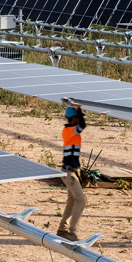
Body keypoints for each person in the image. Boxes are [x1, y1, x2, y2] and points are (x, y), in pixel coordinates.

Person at [57, 102, 87, 241]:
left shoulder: (70, 131)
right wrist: (78, 109)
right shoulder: (70, 131)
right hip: (68, 173)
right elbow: (83, 125)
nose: (79, 120)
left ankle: (62, 230)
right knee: (81, 200)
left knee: (72, 201)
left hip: (71, 171)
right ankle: (72, 232)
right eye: (77, 118)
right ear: (73, 119)